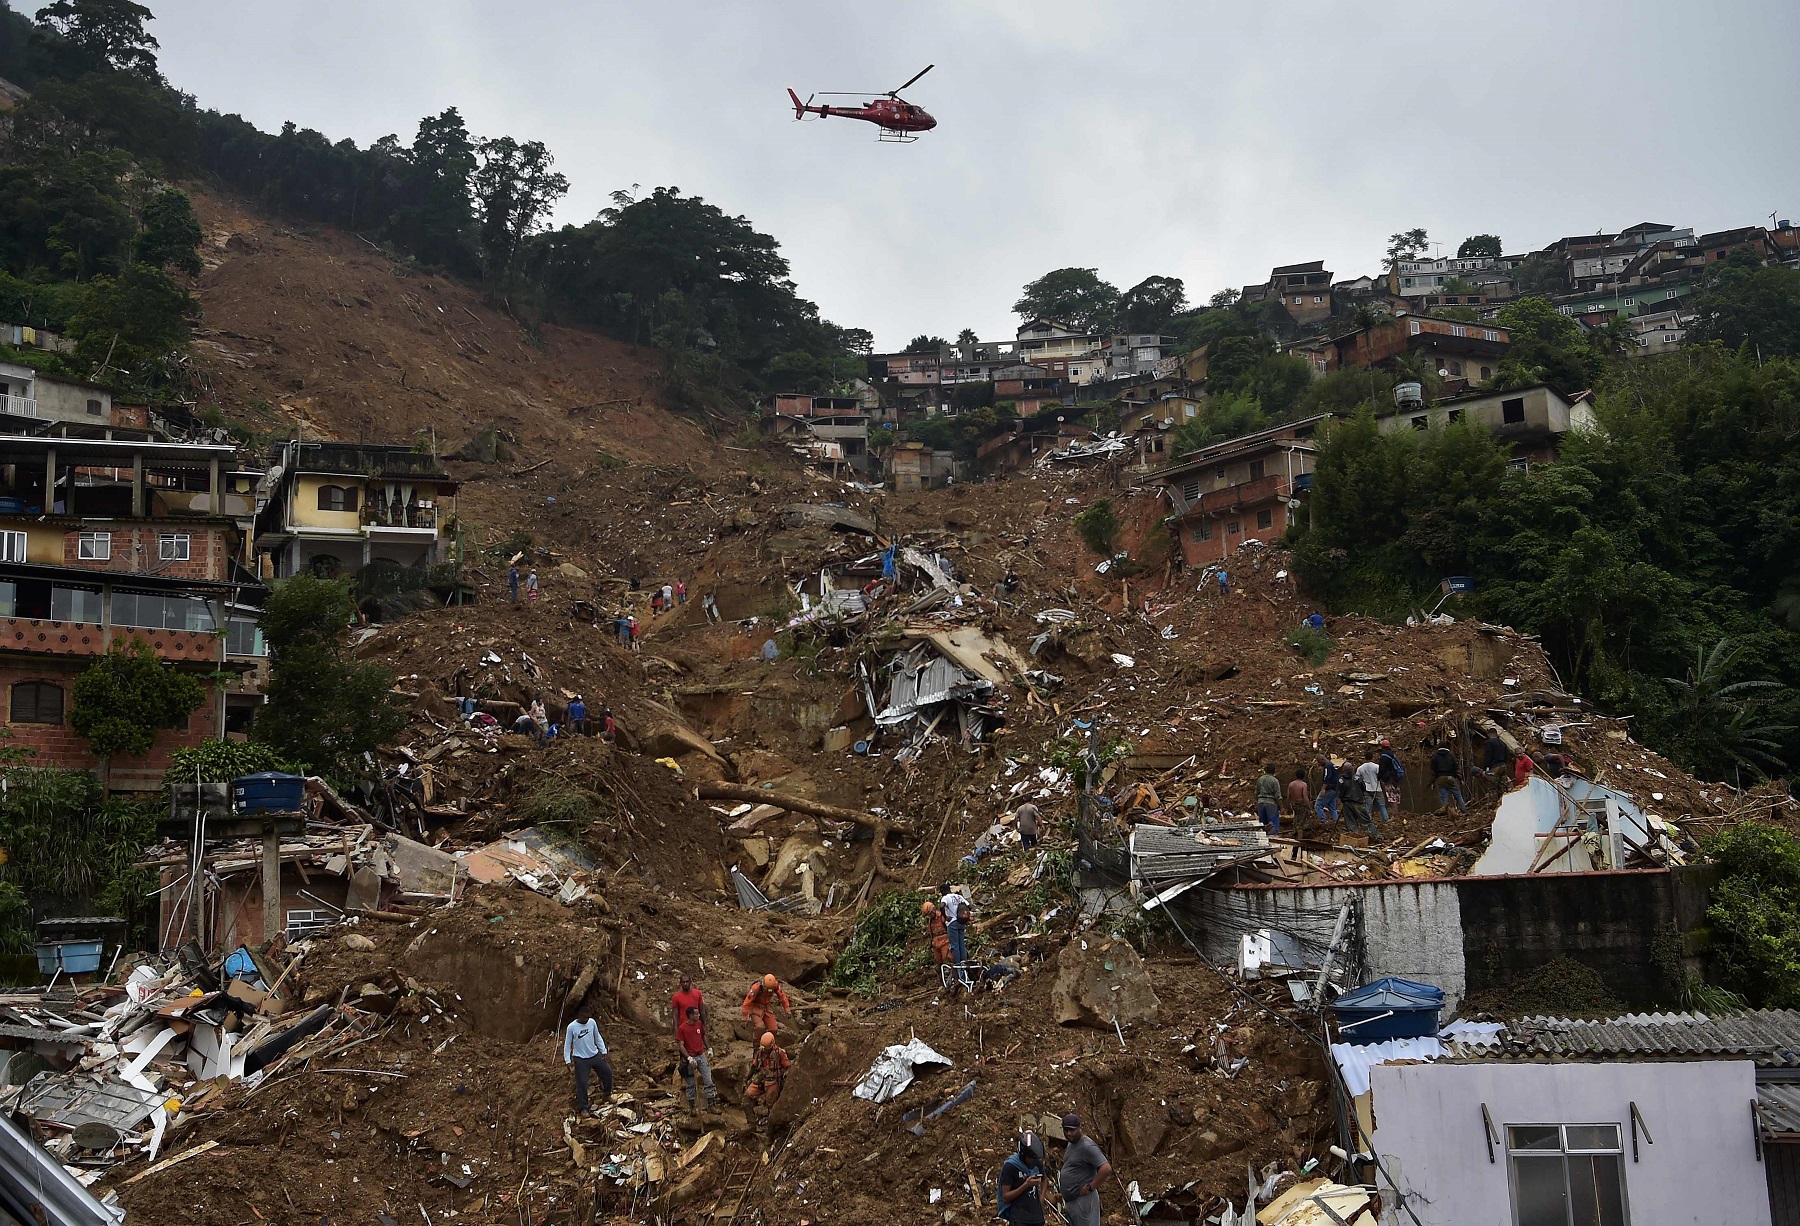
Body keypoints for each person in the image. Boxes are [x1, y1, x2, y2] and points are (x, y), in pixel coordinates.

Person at [1057, 1113, 1112, 1226]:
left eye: (1072, 1130)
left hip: (1083, 1201)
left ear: (1079, 1128)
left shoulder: (1087, 1146)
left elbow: (1106, 1168)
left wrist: (1090, 1187)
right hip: (1072, 1202)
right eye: (1066, 1130)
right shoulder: (1071, 1144)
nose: (1068, 1133)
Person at [562, 1009, 613, 1115]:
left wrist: (603, 1050)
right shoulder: (572, 1027)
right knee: (582, 1083)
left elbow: (597, 1037)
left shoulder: (592, 1022)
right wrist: (567, 1060)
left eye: (588, 1017)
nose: (586, 1020)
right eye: (584, 1018)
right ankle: (584, 1108)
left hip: (594, 1054)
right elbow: (567, 1045)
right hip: (580, 1059)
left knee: (607, 1072)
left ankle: (607, 1094)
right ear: (579, 1016)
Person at [998, 1131, 1047, 1225]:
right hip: (1020, 1217)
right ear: (1023, 1155)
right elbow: (1005, 1197)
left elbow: (1045, 1179)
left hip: (1037, 1217)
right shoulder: (1011, 1166)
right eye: (1030, 1158)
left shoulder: (1036, 1162)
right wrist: (1026, 1185)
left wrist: (1041, 1197)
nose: (1033, 1161)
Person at [675, 1006, 716, 1110]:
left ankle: (711, 1104)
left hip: (701, 1055)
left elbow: (703, 1036)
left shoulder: (699, 1024)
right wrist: (689, 1058)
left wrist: (709, 1048)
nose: (698, 1015)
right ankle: (692, 1107)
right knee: (691, 1084)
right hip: (690, 1058)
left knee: (708, 1080)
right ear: (690, 1015)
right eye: (696, 1014)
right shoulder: (682, 1028)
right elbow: (681, 1045)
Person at [744, 1031, 790, 1113]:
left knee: (771, 1103)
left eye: (766, 1048)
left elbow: (788, 1066)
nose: (764, 1050)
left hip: (773, 1081)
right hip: (762, 1079)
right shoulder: (760, 1053)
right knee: (748, 1094)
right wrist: (747, 1078)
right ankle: (752, 1121)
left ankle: (768, 1115)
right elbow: (754, 1066)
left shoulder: (779, 1053)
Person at [1430, 744, 1467, 815]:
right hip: (1451, 777)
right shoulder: (1451, 755)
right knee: (1458, 795)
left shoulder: (1435, 757)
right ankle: (1464, 810)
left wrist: (1432, 782)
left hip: (1440, 778)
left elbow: (1433, 771)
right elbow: (1456, 769)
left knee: (1444, 797)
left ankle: (1446, 812)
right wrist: (1460, 779)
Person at [940, 884, 971, 965]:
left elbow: (941, 906)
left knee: (955, 946)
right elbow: (969, 906)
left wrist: (946, 917)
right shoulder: (958, 896)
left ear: (943, 891)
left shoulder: (945, 897)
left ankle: (958, 967)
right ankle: (964, 965)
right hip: (961, 923)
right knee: (962, 944)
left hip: (952, 923)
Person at [1340, 763, 1373, 835]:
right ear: (1352, 769)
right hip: (1358, 802)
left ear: (1343, 770)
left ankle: (1353, 836)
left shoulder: (1341, 780)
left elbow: (1340, 792)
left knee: (1351, 822)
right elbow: (1364, 788)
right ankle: (1374, 835)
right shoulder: (1358, 778)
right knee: (1365, 820)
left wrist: (1342, 799)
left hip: (1347, 803)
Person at [672, 972, 709, 1037]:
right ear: (680, 983)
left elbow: (702, 1011)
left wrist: (704, 1026)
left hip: (696, 1026)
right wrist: (676, 1031)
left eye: (687, 982)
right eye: (683, 982)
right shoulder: (676, 997)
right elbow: (675, 1015)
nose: (685, 984)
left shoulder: (697, 993)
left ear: (690, 982)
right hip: (684, 1027)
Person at [1357, 750, 1389, 824]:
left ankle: (1368, 821)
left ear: (1365, 758)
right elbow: (1381, 778)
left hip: (1366, 789)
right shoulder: (1377, 767)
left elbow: (1357, 779)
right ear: (1373, 757)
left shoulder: (1360, 768)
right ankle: (1386, 820)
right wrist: (1384, 788)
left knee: (1368, 806)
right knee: (1382, 806)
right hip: (1377, 789)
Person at [1376, 739, 1405, 816]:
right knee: (1396, 796)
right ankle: (1397, 813)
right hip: (1396, 778)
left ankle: (1395, 814)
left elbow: (1382, 769)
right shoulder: (1392, 754)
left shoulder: (1383, 757)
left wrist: (1378, 777)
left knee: (1391, 797)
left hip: (1389, 779)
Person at [1254, 764, 1282, 836]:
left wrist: (1259, 800)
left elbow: (1256, 793)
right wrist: (1281, 806)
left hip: (1261, 802)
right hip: (1271, 803)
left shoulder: (1260, 779)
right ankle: (1273, 838)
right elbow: (1278, 795)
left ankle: (1263, 839)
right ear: (1274, 771)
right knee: (1272, 823)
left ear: (1265, 770)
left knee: (1263, 823)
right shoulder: (1275, 781)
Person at [922, 900, 952, 966]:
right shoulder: (930, 921)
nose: (929, 916)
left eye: (929, 914)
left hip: (945, 942)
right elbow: (931, 933)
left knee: (947, 960)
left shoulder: (942, 916)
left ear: (933, 910)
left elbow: (949, 928)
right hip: (936, 943)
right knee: (938, 963)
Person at [1314, 756, 1341, 826]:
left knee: (1318, 805)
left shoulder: (1327, 766)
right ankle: (1336, 821)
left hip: (1329, 789)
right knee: (1332, 807)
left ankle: (1323, 821)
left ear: (1322, 759)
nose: (1319, 764)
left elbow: (1327, 777)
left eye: (1319, 762)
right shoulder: (1333, 765)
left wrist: (1323, 788)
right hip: (1335, 789)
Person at [1286, 769, 1311, 833]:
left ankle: (1295, 835)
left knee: (1296, 819)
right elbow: (1305, 796)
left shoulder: (1291, 784)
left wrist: (1288, 805)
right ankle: (1299, 838)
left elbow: (1288, 796)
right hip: (1301, 805)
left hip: (1293, 805)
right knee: (1301, 823)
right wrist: (1309, 806)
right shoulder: (1303, 784)